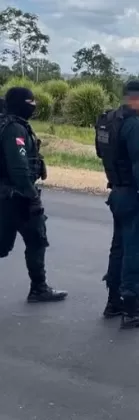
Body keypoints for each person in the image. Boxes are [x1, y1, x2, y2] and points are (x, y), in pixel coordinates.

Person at [95, 80, 139, 328]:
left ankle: (114, 301)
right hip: (135, 195)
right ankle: (133, 308)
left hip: (118, 191)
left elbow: (101, 152)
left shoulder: (109, 120)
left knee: (121, 249)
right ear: (135, 99)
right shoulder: (135, 126)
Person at [0, 87, 67, 303]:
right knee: (33, 240)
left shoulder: (9, 124)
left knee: (27, 241)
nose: (34, 106)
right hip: (16, 196)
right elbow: (18, 168)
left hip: (9, 195)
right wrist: (32, 196)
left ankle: (39, 287)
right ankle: (39, 289)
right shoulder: (14, 129)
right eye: (31, 102)